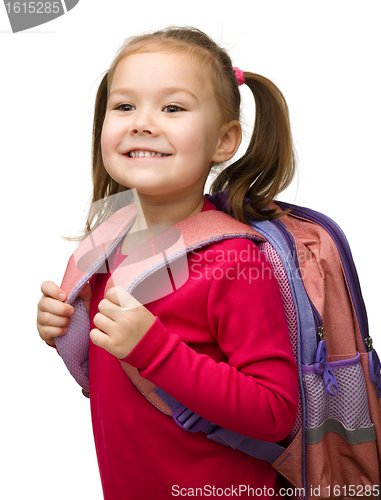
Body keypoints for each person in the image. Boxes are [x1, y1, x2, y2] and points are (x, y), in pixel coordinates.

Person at [37, 26, 299, 499]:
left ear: (224, 141)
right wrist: (66, 328)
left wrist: (154, 350)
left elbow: (276, 411)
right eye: (124, 106)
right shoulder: (112, 238)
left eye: (172, 107)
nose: (142, 122)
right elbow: (119, 380)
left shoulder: (233, 260)